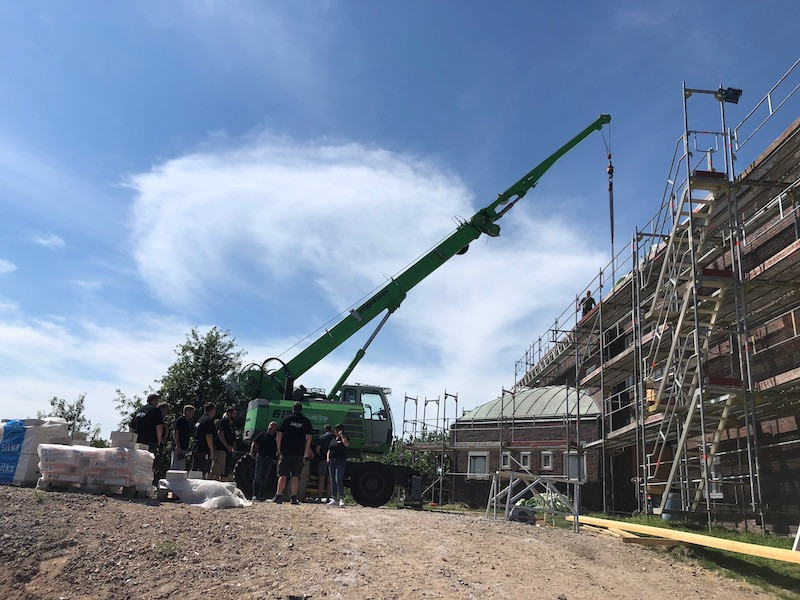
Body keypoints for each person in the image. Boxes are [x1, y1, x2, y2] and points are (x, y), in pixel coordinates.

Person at [274, 401, 312, 505]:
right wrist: (305, 451)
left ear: (293, 409)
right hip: (299, 452)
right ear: (301, 410)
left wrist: (279, 449)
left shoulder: (287, 419)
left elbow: (279, 435)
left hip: (286, 451)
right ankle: (293, 497)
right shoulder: (305, 421)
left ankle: (279, 495)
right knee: (296, 475)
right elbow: (309, 437)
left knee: (282, 474)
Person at [250, 421, 278, 501]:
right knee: (258, 476)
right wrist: (252, 452)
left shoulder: (276, 437)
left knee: (265, 477)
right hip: (261, 457)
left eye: (273, 426)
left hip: (270, 459)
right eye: (270, 425)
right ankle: (255, 494)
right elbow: (254, 442)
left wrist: (277, 457)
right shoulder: (262, 434)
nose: (271, 427)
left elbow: (278, 447)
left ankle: (262, 494)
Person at [210, 407, 238, 482]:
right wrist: (227, 445)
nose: (235, 416)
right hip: (221, 450)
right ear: (229, 413)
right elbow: (220, 433)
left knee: (225, 473)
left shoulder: (231, 425)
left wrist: (234, 449)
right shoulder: (223, 422)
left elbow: (233, 439)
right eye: (234, 414)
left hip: (228, 452)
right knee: (217, 471)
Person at [327, 423, 350, 508]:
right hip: (332, 461)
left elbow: (346, 444)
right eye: (335, 430)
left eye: (337, 430)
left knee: (338, 479)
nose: (335, 431)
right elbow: (329, 450)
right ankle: (334, 498)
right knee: (332, 480)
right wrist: (328, 458)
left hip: (340, 461)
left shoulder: (345, 438)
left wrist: (342, 436)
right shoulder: (333, 439)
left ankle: (341, 498)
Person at [191, 403, 217, 478]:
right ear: (210, 410)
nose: (215, 412)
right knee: (203, 472)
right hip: (203, 449)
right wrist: (212, 450)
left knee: (195, 471)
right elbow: (209, 436)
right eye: (214, 410)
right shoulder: (208, 421)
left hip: (196, 448)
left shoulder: (200, 420)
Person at [171, 404, 196, 471]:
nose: (192, 415)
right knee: (176, 467)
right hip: (179, 448)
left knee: (181, 467)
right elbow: (175, 433)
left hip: (184, 448)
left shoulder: (187, 422)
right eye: (192, 412)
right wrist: (178, 446)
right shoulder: (180, 420)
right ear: (187, 411)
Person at [315, 424, 335, 502]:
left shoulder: (322, 437)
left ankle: (319, 498)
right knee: (330, 480)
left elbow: (318, 449)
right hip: (332, 460)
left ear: (324, 429)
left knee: (321, 479)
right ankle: (328, 498)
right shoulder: (334, 437)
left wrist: (319, 454)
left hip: (323, 460)